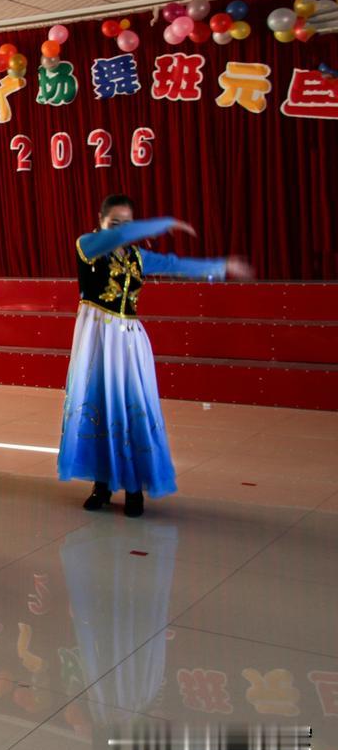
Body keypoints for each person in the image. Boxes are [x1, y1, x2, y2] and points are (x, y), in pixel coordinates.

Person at [59, 194, 252, 518]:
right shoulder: (88, 245)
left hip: (129, 341)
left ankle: (134, 487)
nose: (121, 229)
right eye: (114, 222)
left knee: (130, 409)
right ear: (100, 221)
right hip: (96, 340)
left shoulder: (138, 256)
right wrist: (164, 223)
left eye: (127, 223)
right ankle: (101, 484)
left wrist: (221, 265)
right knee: (100, 407)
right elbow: (118, 237)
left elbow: (175, 265)